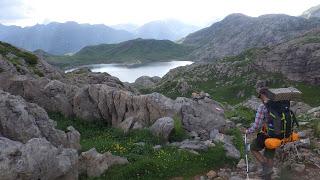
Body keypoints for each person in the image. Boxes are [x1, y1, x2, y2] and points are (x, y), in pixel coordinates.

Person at [246, 87, 274, 179]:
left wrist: (248, 131)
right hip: (278, 134)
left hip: (267, 133)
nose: (260, 99)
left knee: (253, 147)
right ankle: (268, 174)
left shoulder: (263, 107)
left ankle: (266, 168)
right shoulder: (277, 104)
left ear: (262, 95)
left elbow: (257, 125)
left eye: (260, 97)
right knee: (270, 151)